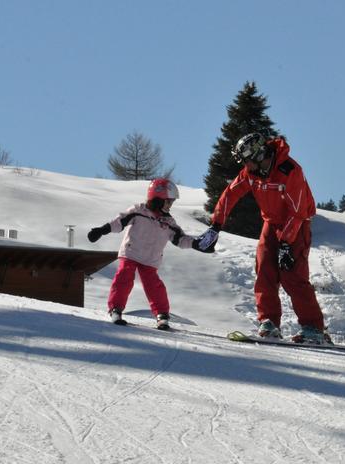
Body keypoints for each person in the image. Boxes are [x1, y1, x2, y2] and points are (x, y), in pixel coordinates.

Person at [198, 133, 327, 344]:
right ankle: (269, 321)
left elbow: (298, 212)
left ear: (258, 154)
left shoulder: (290, 171)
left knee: (292, 275)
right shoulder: (252, 173)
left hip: (297, 223)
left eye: (247, 159)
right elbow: (230, 194)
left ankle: (313, 327)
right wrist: (215, 226)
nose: (246, 165)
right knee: (264, 270)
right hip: (271, 223)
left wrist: (286, 244)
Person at [88, 178, 213, 330]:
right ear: (157, 199)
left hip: (150, 259)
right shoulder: (138, 211)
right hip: (131, 253)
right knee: (124, 277)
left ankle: (161, 315)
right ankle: (116, 309)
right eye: (168, 202)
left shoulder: (168, 222)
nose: (170, 206)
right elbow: (119, 222)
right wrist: (102, 230)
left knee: (154, 286)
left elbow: (180, 239)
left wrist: (197, 244)